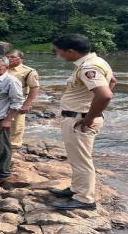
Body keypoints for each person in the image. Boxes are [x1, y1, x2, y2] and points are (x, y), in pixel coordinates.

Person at [50, 34, 116, 210]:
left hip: (79, 118)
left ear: (71, 51)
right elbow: (113, 82)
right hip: (79, 116)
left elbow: (105, 94)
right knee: (76, 158)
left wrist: (89, 117)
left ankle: (85, 199)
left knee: (81, 160)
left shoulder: (88, 67)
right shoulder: (98, 61)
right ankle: (76, 188)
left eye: (59, 52)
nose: (59, 55)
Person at [6, 50, 40, 148]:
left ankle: (15, 144)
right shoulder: (2, 68)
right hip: (1, 100)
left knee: (17, 123)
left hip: (18, 100)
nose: (9, 59)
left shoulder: (28, 71)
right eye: (7, 57)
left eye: (12, 57)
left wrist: (26, 104)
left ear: (21, 59)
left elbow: (34, 87)